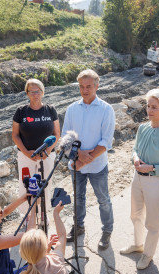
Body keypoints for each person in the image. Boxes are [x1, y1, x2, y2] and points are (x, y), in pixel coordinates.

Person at [119, 88, 159, 270]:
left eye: (154, 107)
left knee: (152, 222)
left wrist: (151, 168)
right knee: (135, 214)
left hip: (156, 182)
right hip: (137, 178)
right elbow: (135, 149)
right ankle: (138, 244)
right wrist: (136, 159)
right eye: (148, 106)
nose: (149, 110)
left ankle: (148, 254)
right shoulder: (143, 128)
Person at [61, 69, 115, 249]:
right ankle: (78, 226)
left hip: (97, 165)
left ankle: (107, 230)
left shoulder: (106, 109)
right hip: (75, 165)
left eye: (89, 86)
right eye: (82, 86)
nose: (85, 90)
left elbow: (106, 141)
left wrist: (85, 158)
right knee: (78, 197)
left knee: (103, 199)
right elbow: (66, 137)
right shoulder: (72, 109)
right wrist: (77, 157)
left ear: (97, 86)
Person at [12, 79, 61, 224]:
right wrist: (27, 152)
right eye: (32, 91)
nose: (35, 94)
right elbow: (15, 135)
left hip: (46, 156)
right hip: (25, 156)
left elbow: (57, 133)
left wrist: (47, 151)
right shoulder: (21, 111)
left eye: (38, 91)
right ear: (27, 93)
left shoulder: (50, 110)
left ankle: (43, 214)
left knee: (45, 184)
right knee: (26, 184)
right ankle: (28, 215)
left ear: (42, 92)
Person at [15, 202, 83, 274]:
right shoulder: (57, 260)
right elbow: (62, 236)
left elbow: (34, 259)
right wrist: (56, 213)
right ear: (45, 248)